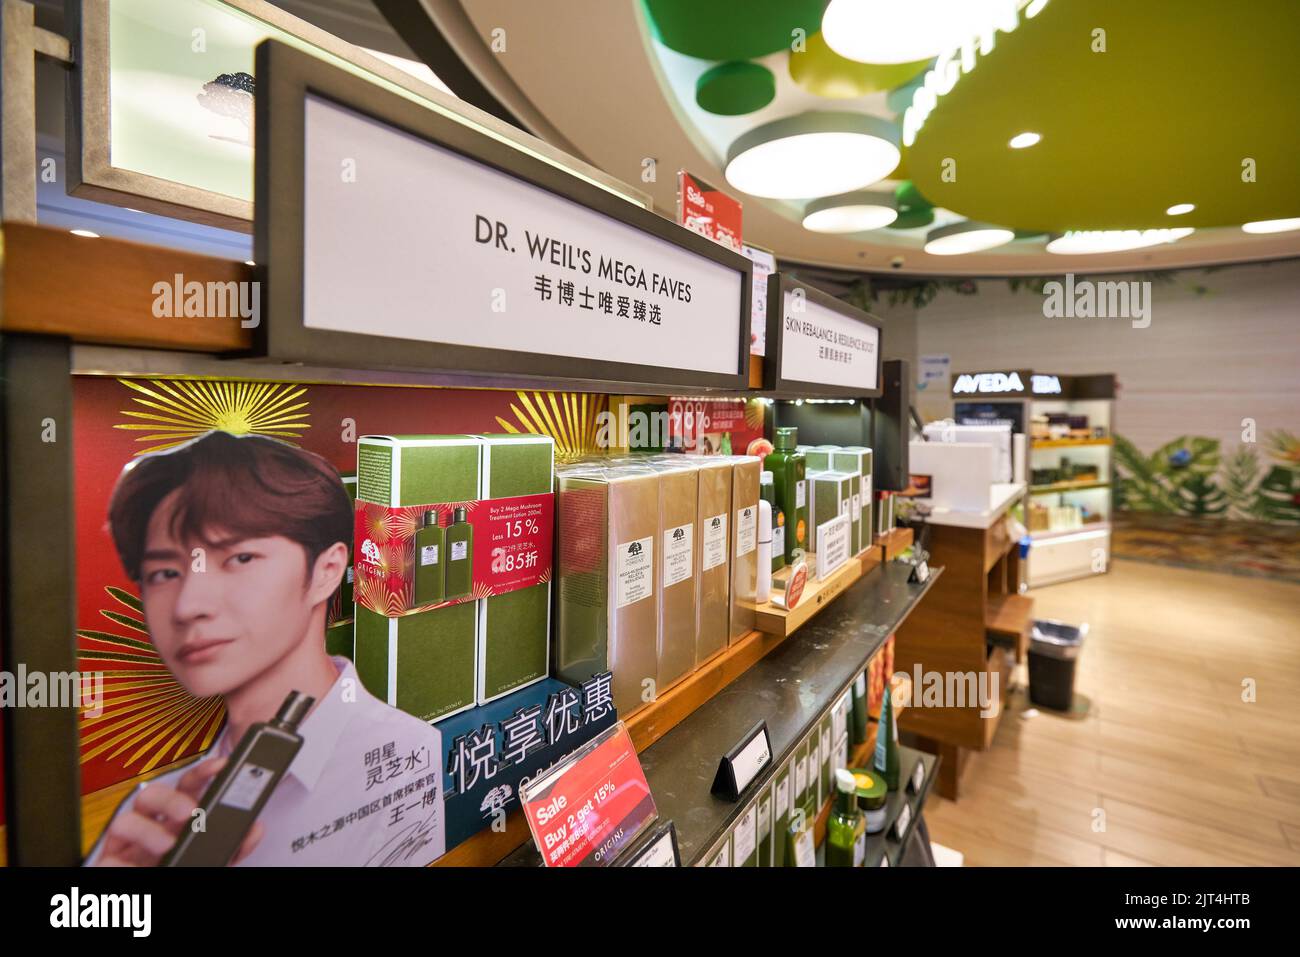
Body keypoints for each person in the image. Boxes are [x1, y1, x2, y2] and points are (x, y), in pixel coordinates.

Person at [86, 431, 444, 866]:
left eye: (239, 559)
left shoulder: (405, 751)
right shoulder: (155, 818)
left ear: (328, 570)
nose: (187, 606)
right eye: (163, 572)